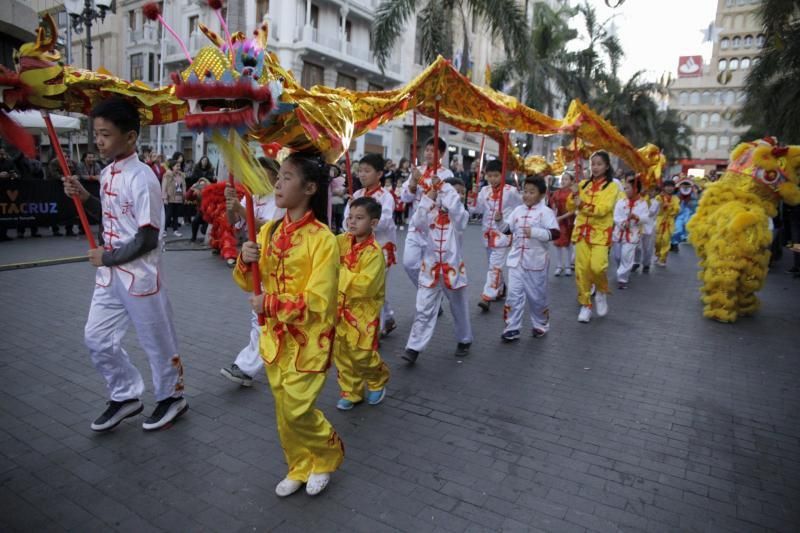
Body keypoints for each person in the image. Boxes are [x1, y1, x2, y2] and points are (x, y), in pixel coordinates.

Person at [62, 98, 186, 432]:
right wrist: (83, 197)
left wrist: (108, 257)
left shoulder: (144, 177)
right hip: (109, 276)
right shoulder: (106, 173)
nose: (98, 141)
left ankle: (172, 396)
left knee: (156, 340)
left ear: (130, 137)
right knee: (96, 337)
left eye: (105, 134)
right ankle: (125, 394)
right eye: (96, 134)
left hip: (141, 274)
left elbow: (147, 237)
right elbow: (109, 216)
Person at [233, 151, 343, 497]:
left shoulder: (323, 239)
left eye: (287, 177)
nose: (278, 182)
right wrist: (245, 258)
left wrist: (269, 302)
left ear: (310, 187)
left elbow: (319, 301)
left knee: (297, 408)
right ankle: (298, 464)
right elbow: (247, 281)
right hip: (274, 339)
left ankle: (326, 456)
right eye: (278, 175)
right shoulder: (268, 232)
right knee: (283, 409)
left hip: (308, 342)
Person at [220, 157, 284, 385]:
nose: (255, 177)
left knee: (262, 316)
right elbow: (235, 224)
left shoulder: (279, 199)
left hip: (276, 261)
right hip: (254, 261)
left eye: (261, 172)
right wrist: (231, 206)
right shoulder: (252, 197)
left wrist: (239, 207)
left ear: (275, 175)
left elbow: (270, 230)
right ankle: (256, 363)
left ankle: (246, 367)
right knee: (261, 316)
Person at [403, 176, 472, 363]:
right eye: (452, 192)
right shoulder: (430, 213)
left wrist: (446, 189)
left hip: (453, 272)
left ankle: (464, 339)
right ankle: (414, 347)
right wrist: (429, 197)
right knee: (423, 308)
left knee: (459, 307)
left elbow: (457, 210)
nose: (457, 196)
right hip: (430, 270)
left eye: (461, 193)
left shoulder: (460, 217)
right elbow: (416, 222)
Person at [334, 196, 390, 410]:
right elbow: (325, 253)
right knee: (342, 353)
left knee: (361, 352)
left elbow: (366, 285)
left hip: (363, 312)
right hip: (338, 308)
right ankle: (351, 390)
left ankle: (377, 380)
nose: (352, 222)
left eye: (359, 218)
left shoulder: (374, 252)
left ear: (373, 223)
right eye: (350, 217)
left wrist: (338, 274)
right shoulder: (341, 241)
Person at [343, 154, 398, 336]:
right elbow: (346, 223)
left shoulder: (386, 197)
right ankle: (388, 317)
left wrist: (366, 218)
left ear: (380, 174)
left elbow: (387, 222)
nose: (362, 175)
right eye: (360, 171)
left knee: (376, 290)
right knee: (370, 287)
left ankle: (376, 331)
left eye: (367, 171)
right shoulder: (357, 195)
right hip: (360, 250)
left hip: (380, 248)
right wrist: (352, 217)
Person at [500, 176, 560, 342]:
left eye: (531, 192)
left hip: (536, 262)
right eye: (525, 191)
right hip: (516, 261)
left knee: (536, 297)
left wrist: (534, 232)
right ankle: (512, 327)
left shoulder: (546, 212)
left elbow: (555, 233)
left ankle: (540, 323)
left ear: (541, 195)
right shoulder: (517, 210)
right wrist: (499, 221)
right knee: (513, 295)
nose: (526, 195)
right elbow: (507, 230)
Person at [568, 151, 620, 323]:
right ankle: (586, 305)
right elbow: (570, 206)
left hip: (600, 234)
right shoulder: (583, 184)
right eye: (593, 164)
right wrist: (573, 194)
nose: (595, 167)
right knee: (581, 270)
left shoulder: (612, 187)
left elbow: (602, 209)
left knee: (598, 268)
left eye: (599, 164)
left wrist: (581, 204)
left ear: (606, 166)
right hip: (582, 233)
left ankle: (601, 291)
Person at [400, 137, 455, 290]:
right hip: (416, 225)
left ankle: (428, 299)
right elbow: (405, 197)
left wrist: (424, 182)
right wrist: (412, 184)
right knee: (409, 263)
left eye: (433, 151)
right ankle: (427, 294)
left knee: (431, 267)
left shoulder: (446, 174)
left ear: (441, 154)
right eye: (427, 150)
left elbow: (445, 201)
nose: (429, 153)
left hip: (435, 229)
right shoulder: (418, 171)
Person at [475, 159, 523, 312]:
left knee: (494, 266)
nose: (492, 179)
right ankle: (500, 289)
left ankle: (487, 296)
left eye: (496, 175)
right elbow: (476, 210)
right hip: (487, 235)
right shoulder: (484, 191)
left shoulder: (511, 191)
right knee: (493, 264)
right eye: (489, 176)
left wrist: (510, 223)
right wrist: (473, 195)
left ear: (502, 175)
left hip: (502, 235)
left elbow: (521, 207)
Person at [613, 180, 650, 289]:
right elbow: (616, 217)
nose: (625, 190)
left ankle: (622, 279)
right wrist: (623, 223)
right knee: (617, 256)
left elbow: (646, 218)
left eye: (628, 188)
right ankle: (622, 270)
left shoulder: (643, 203)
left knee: (627, 256)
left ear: (635, 189)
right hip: (619, 233)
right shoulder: (621, 202)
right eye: (625, 188)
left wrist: (636, 217)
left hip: (632, 234)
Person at [550, 171, 576, 276]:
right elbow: (552, 204)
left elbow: (573, 210)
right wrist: (554, 210)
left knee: (568, 244)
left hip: (570, 220)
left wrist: (561, 217)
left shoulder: (573, 193)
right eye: (562, 179)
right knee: (558, 243)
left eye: (566, 179)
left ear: (571, 181)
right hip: (559, 221)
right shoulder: (557, 193)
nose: (563, 181)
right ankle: (559, 265)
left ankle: (568, 265)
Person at [634, 183, 660, 273]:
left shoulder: (655, 202)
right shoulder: (640, 200)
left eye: (653, 190)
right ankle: (635, 262)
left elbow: (650, 213)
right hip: (639, 225)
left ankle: (646, 264)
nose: (650, 192)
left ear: (656, 192)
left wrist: (646, 202)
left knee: (647, 247)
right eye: (649, 190)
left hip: (649, 226)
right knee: (636, 246)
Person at [654, 179, 680, 267]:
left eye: (671, 186)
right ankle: (657, 254)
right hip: (659, 221)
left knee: (666, 240)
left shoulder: (675, 198)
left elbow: (676, 210)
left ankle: (663, 259)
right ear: (664, 187)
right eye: (667, 186)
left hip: (669, 222)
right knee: (657, 240)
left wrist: (668, 207)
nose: (669, 188)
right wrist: (663, 206)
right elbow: (656, 210)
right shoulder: (659, 197)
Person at [161, 159, 186, 236]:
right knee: (168, 214)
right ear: (172, 166)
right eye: (177, 166)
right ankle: (164, 230)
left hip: (178, 198)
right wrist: (164, 197)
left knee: (176, 215)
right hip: (169, 198)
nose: (178, 167)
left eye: (179, 166)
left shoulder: (181, 175)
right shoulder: (167, 175)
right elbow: (164, 187)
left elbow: (184, 186)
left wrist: (184, 196)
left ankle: (175, 230)